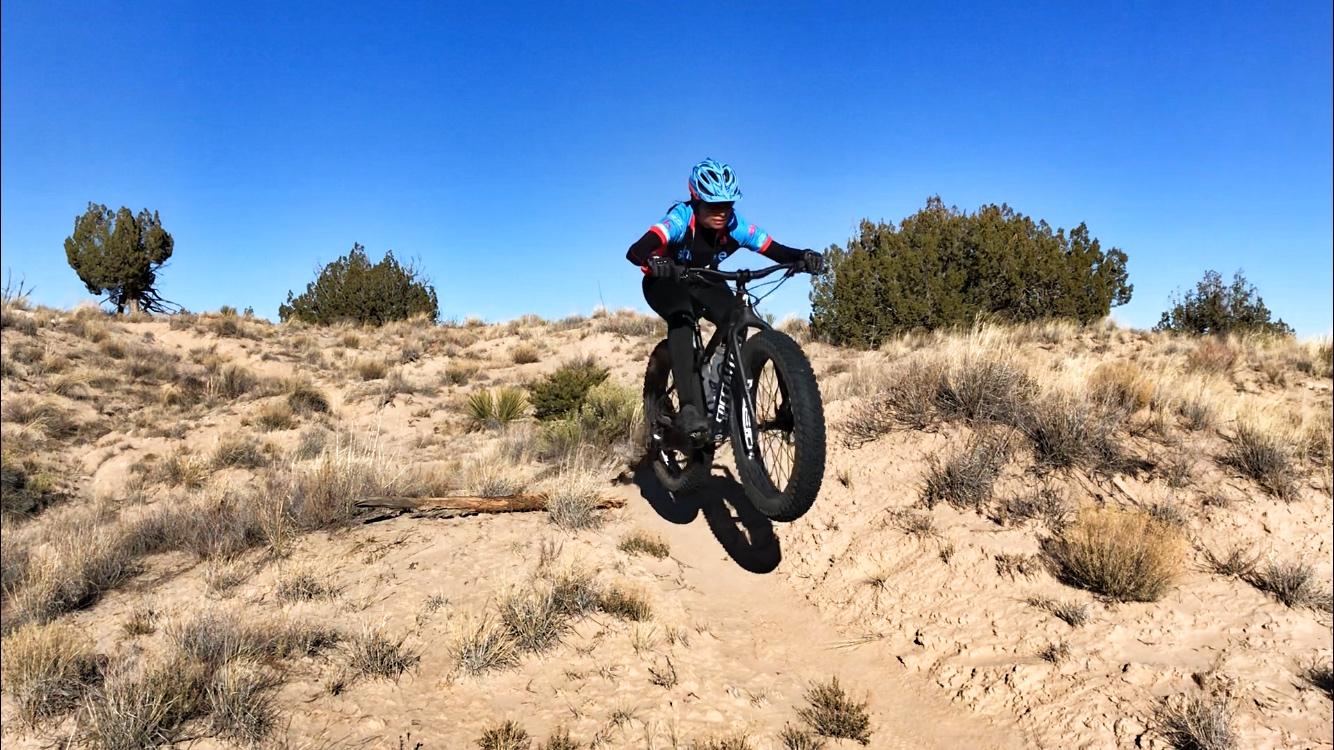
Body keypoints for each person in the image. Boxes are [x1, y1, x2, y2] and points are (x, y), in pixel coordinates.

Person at [626, 157, 823, 442]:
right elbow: (636, 250)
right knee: (682, 315)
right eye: (713, 205)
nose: (721, 212)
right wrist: (655, 259)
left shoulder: (735, 225)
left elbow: (774, 249)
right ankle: (690, 407)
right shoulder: (682, 218)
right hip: (664, 281)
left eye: (727, 205)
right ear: (696, 200)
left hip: (703, 280)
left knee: (737, 315)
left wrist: (802, 256)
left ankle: (724, 393)